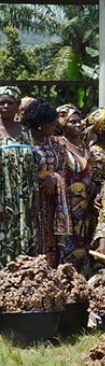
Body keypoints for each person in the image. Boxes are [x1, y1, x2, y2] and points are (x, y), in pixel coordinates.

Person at [23, 98, 71, 267]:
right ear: (40, 125)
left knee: (51, 244)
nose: (55, 128)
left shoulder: (55, 145)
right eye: (52, 124)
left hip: (52, 203)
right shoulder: (23, 143)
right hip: (30, 202)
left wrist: (54, 178)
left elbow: (62, 170)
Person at [0, 86, 37, 267]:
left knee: (24, 239)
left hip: (24, 200)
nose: (5, 106)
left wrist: (35, 198)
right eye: (2, 103)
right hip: (3, 199)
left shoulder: (26, 132)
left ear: (17, 106)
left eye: (10, 103)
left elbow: (33, 167)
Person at [56, 104, 93, 273]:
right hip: (66, 204)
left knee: (84, 242)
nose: (78, 125)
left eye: (79, 122)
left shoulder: (85, 145)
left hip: (87, 205)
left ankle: (83, 283)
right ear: (63, 124)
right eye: (73, 122)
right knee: (68, 245)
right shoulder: (58, 144)